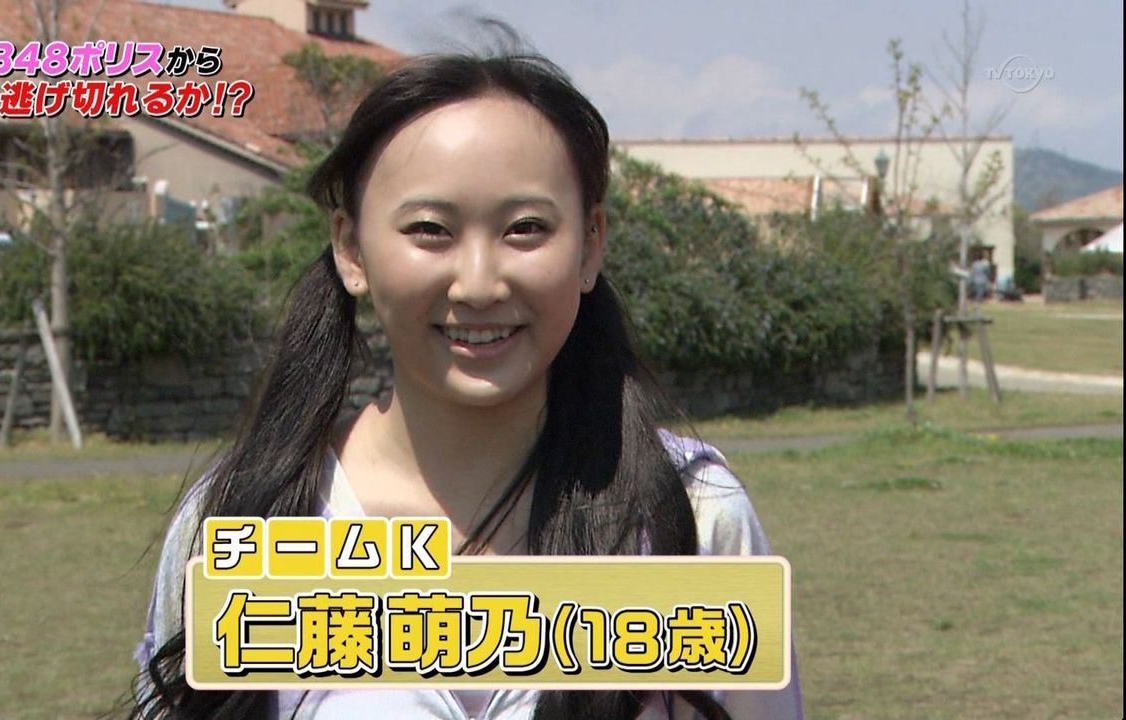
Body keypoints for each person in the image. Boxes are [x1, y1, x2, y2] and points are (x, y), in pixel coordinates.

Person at [132, 42, 804, 720]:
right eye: (430, 230)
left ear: (590, 243)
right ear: (352, 249)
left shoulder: (690, 513)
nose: (479, 284)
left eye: (526, 228)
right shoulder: (250, 516)